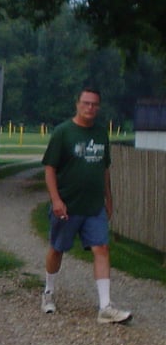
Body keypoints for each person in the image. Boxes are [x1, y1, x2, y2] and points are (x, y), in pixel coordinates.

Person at [41, 87, 131, 323]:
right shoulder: (63, 133)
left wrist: (108, 199)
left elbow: (104, 170)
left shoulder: (101, 134)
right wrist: (56, 199)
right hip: (68, 205)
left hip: (94, 206)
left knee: (101, 248)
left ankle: (105, 307)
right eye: (86, 103)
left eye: (94, 104)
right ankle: (48, 291)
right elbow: (49, 168)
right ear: (77, 104)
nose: (90, 108)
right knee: (57, 248)